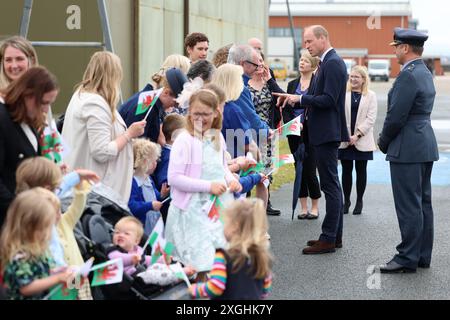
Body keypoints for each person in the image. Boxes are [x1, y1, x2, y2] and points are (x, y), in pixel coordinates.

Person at [274, 25, 348, 254]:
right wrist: (298, 99)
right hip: (322, 133)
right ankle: (333, 237)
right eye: (305, 42)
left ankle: (328, 238)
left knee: (330, 186)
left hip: (326, 134)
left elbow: (328, 100)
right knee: (331, 185)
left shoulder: (333, 63)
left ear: (323, 38)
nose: (305, 46)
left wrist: (300, 99)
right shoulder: (326, 63)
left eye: (309, 41)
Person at [377, 28, 439, 274]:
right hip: (424, 144)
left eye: (396, 47)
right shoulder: (424, 72)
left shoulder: (408, 76)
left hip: (407, 147)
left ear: (405, 48)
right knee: (423, 203)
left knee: (408, 205)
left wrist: (383, 141)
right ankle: (421, 255)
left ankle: (407, 257)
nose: (394, 51)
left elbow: (396, 116)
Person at [165, 89, 242, 276]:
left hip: (218, 209)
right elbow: (174, 178)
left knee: (221, 264)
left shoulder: (217, 136)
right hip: (193, 211)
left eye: (205, 114)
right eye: (196, 114)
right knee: (202, 266)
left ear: (216, 112)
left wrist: (231, 180)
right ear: (189, 112)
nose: (200, 119)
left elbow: (221, 166)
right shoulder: (185, 140)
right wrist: (208, 186)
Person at [62, 52, 146, 202]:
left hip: (92, 189)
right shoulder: (95, 103)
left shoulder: (83, 96)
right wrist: (129, 134)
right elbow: (102, 151)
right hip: (96, 193)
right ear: (113, 75)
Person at [15, 157, 99, 300]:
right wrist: (76, 176)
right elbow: (25, 284)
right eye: (57, 187)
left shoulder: (56, 220)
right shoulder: (36, 224)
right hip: (56, 285)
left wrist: (77, 180)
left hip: (69, 278)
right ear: (47, 189)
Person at [0, 67, 59, 227]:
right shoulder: (3, 119)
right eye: (44, 103)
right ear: (27, 95)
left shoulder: (27, 119)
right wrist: (20, 209)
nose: (46, 109)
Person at [189, 199, 273, 300]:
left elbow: (216, 287)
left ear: (235, 227)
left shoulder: (223, 255)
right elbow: (265, 289)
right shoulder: (261, 255)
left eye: (225, 222)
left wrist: (194, 289)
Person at [0, 188, 74, 300]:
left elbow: (36, 273)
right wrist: (58, 278)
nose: (49, 232)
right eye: (46, 228)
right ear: (29, 227)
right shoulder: (20, 255)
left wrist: (55, 272)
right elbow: (25, 286)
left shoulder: (36, 249)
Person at [286, 49, 322, 220]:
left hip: (311, 131)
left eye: (306, 61)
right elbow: (286, 106)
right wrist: (291, 125)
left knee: (310, 169)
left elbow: (317, 105)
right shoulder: (292, 84)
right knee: (298, 168)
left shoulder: (317, 83)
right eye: (300, 60)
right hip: (293, 133)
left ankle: (315, 206)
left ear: (313, 65)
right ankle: (303, 206)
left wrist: (305, 123)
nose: (302, 63)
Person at [108, 217, 195, 284]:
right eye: (117, 232)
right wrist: (131, 259)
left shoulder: (137, 251)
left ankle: (180, 271)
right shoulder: (114, 251)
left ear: (136, 241)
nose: (120, 235)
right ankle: (178, 276)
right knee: (152, 274)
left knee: (158, 267)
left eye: (126, 233)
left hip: (143, 272)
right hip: (133, 278)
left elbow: (148, 260)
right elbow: (117, 259)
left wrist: (162, 259)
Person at [339, 66, 377, 216]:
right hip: (345, 139)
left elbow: (371, 118)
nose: (353, 79)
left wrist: (357, 135)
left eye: (357, 77)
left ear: (363, 80)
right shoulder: (344, 94)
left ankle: (359, 200)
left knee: (361, 171)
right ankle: (346, 200)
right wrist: (346, 135)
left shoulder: (371, 96)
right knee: (346, 171)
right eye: (351, 76)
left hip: (362, 140)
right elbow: (339, 115)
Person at [119, 68, 188, 144]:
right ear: (166, 92)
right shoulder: (144, 107)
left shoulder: (151, 102)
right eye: (176, 103)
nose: (175, 107)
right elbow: (136, 146)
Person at [128, 138, 169, 235]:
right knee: (149, 247)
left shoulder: (148, 179)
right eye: (154, 161)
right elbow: (131, 205)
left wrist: (162, 195)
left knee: (159, 245)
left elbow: (154, 196)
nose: (156, 163)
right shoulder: (133, 182)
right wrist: (150, 205)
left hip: (155, 222)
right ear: (145, 162)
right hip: (144, 227)